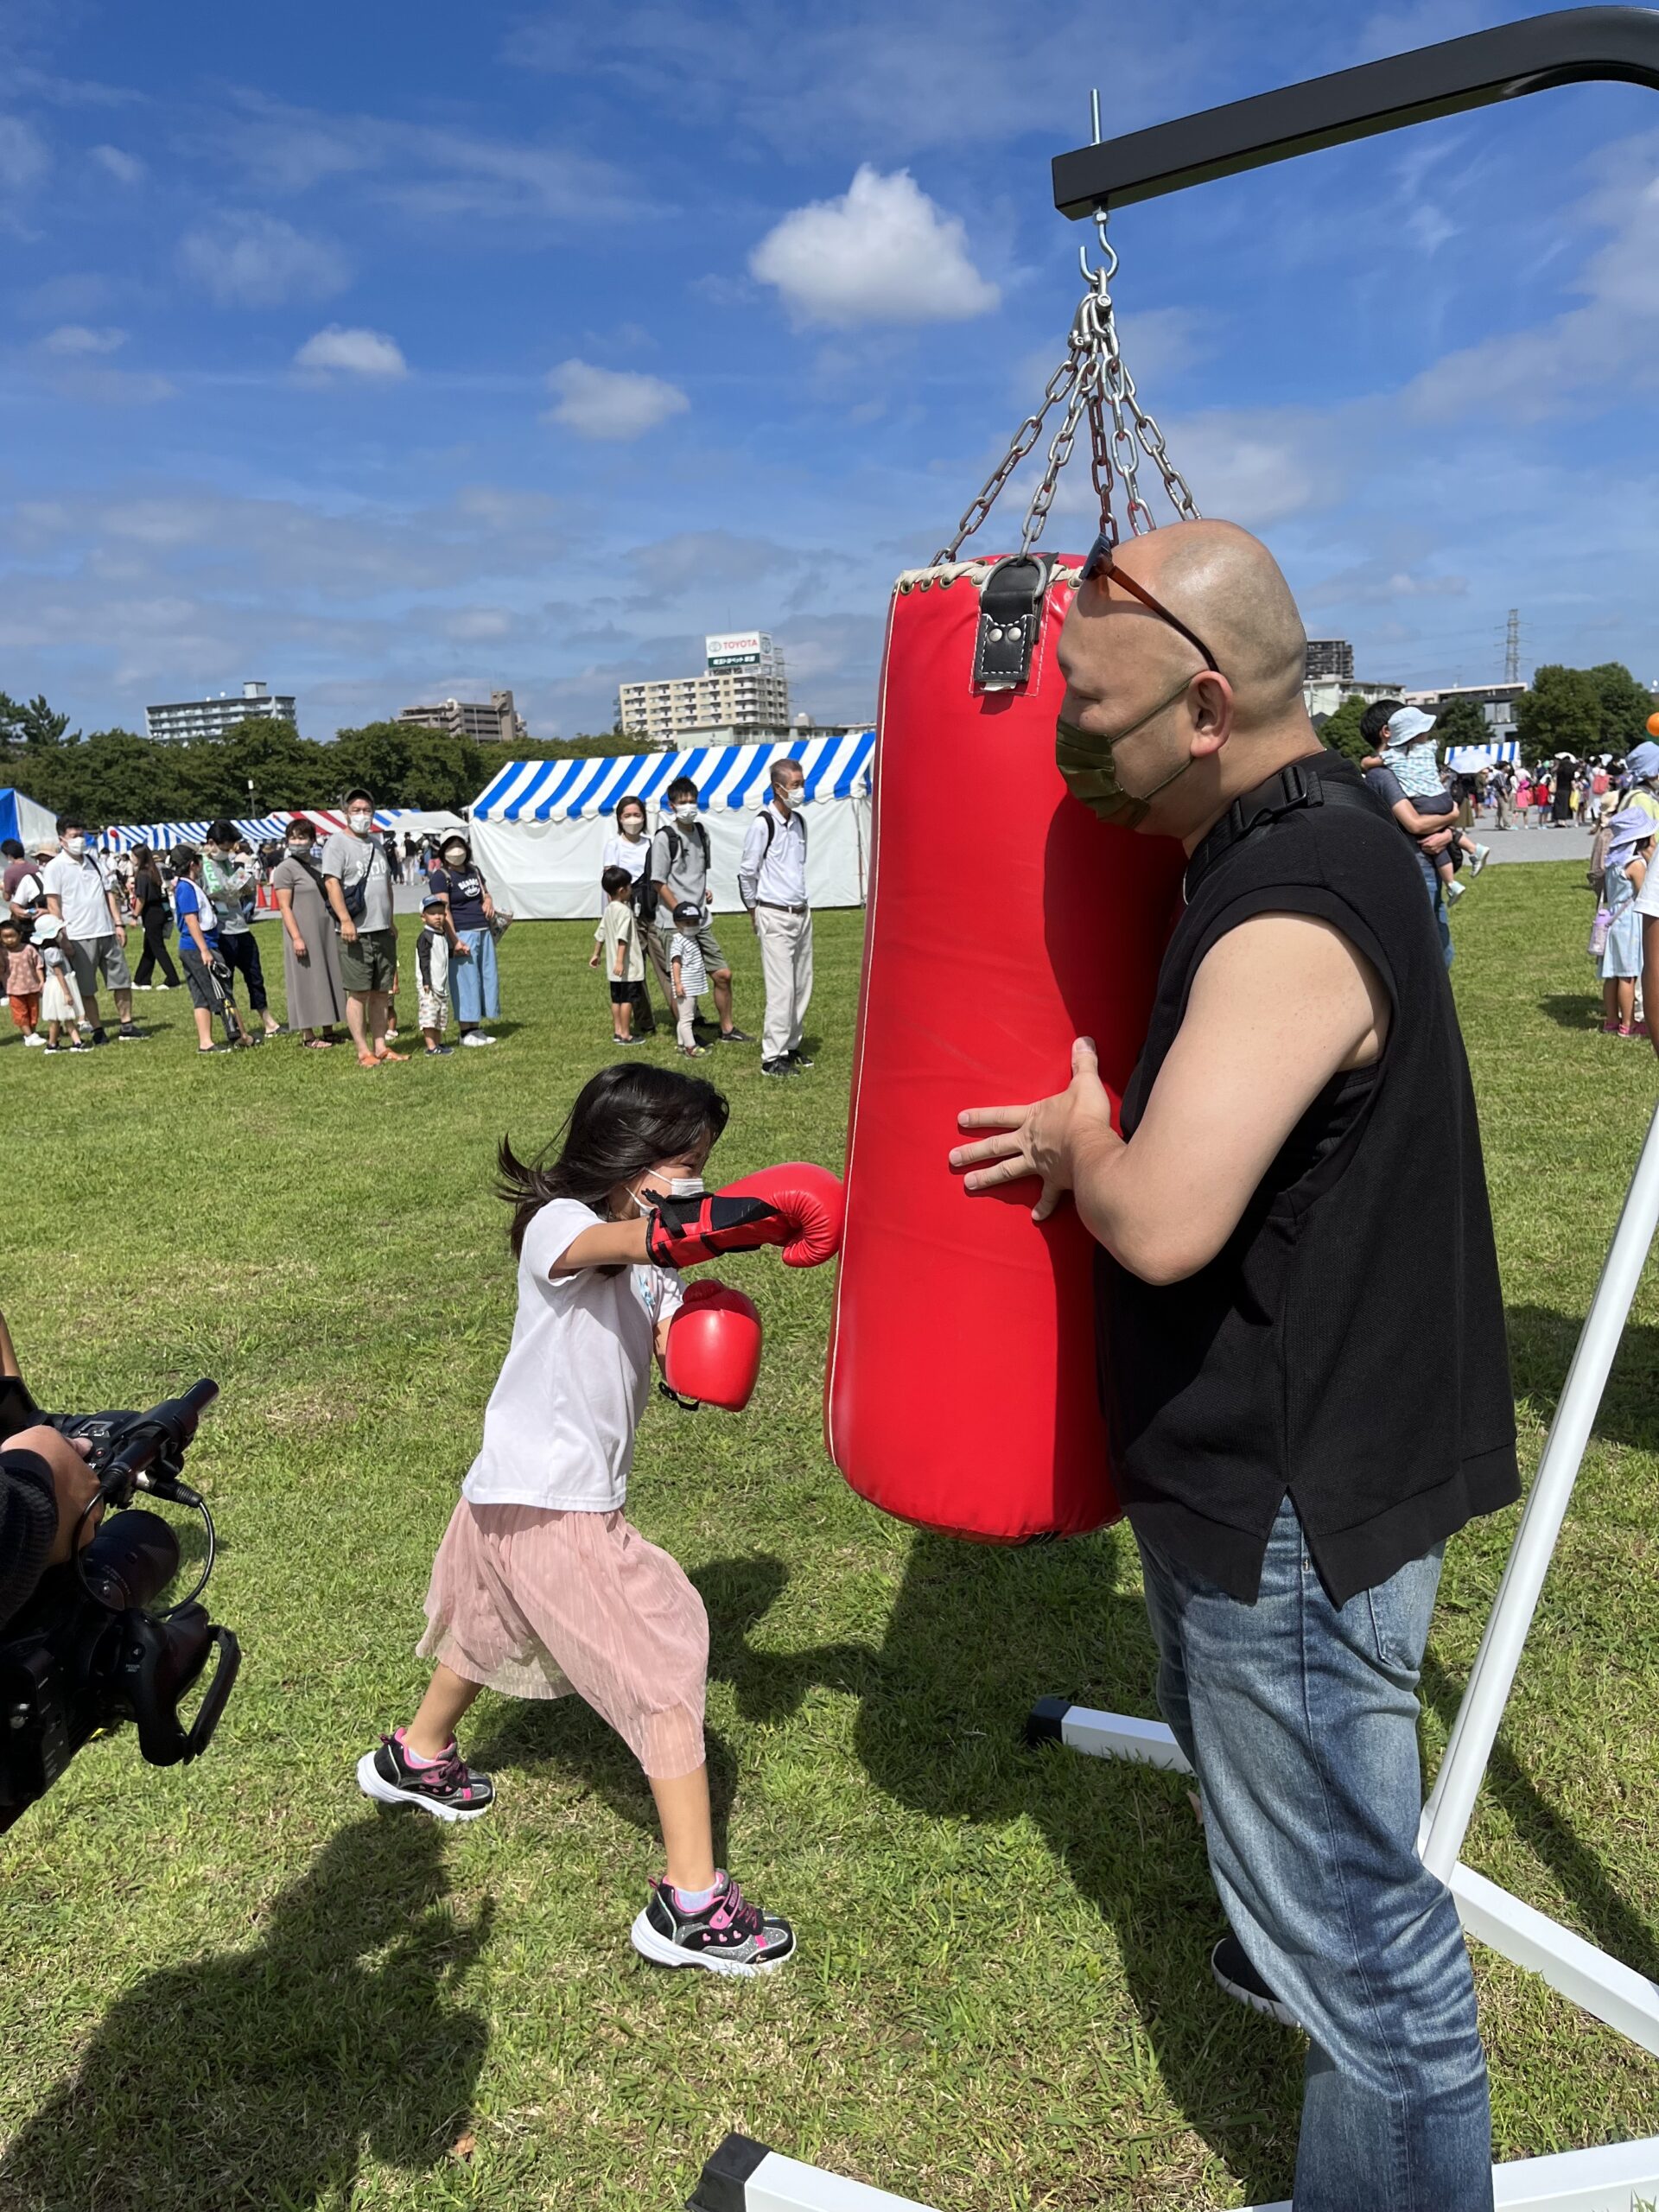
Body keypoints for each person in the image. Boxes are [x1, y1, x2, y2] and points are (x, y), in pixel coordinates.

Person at [952, 517, 1516, 2210]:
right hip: (1297, 1454)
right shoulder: (1313, 824)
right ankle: (1283, 1937)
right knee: (1299, 1860)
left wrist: (1079, 1137)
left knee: (1382, 1980)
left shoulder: (1290, 898)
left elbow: (1170, 1219)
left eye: (1093, 711)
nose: (1065, 743)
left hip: (1293, 1495)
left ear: (1204, 708)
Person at [356, 1062, 798, 1974]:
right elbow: (640, 1243)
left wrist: (702, 1338)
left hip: (510, 1488)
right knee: (665, 1658)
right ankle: (691, 1904)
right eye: (688, 1161)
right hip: (553, 1499)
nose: (698, 1177)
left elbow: (671, 1317)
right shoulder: (562, 1225)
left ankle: (416, 1756)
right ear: (636, 1159)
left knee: (485, 1628)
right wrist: (749, 1217)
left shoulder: (648, 1260)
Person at [648, 779, 753, 1046]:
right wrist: (681, 910)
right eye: (682, 802)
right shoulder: (665, 837)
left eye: (691, 800)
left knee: (723, 974)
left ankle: (727, 1029)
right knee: (682, 982)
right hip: (673, 923)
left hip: (702, 920)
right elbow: (658, 881)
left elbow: (698, 873)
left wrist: (703, 893)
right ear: (671, 806)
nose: (688, 807)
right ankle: (688, 1036)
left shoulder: (702, 833)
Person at [1355, 703, 1459, 968]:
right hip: (1415, 866)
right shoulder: (1383, 774)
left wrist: (1447, 833)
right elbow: (1415, 824)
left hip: (1427, 863)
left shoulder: (1406, 766)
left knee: (1440, 948)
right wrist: (1451, 817)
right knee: (1434, 952)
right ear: (1387, 732)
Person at [739, 758, 814, 1079]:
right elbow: (747, 872)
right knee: (781, 987)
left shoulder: (799, 822)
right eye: (794, 784)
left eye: (801, 783)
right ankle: (772, 1056)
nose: (799, 790)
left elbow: (797, 866)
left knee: (801, 984)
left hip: (800, 910)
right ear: (777, 787)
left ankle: (791, 1044)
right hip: (773, 912)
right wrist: (754, 910)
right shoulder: (762, 824)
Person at [321, 789, 405, 1070]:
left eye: (367, 810)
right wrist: (345, 920)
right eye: (356, 810)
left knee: (382, 993)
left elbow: (386, 886)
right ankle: (362, 1050)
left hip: (382, 929)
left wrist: (390, 920)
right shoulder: (337, 844)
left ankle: (381, 1046)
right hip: (355, 931)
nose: (362, 815)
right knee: (359, 992)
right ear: (346, 812)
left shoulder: (377, 844)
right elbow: (331, 883)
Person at [41, 815, 139, 1046]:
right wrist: (61, 936)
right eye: (74, 836)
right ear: (62, 839)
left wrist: (118, 923)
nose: (79, 840)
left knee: (121, 981)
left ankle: (127, 1024)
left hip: (106, 930)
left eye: (81, 835)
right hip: (77, 935)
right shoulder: (55, 867)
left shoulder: (95, 860)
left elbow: (109, 894)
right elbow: (53, 904)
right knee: (87, 988)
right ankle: (97, 1030)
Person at [1372, 706, 1490, 895]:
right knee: (1437, 839)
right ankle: (1471, 852)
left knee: (1429, 839)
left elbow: (1417, 826)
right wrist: (1452, 816)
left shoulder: (1391, 760)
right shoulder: (1429, 748)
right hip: (1442, 798)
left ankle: (1452, 882)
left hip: (1423, 811)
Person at [271, 820, 346, 1049]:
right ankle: (308, 1035)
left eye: (302, 837)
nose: (298, 842)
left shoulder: (320, 863)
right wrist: (296, 937)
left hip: (323, 929)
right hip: (302, 930)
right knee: (304, 981)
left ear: (312, 840)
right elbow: (284, 906)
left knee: (326, 976)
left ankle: (328, 1028)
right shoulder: (285, 869)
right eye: (293, 838)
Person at [202, 823, 282, 1039]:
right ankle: (235, 1027)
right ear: (212, 844)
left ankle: (268, 1021)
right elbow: (219, 892)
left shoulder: (227, 863)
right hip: (222, 932)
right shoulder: (206, 864)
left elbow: (247, 888)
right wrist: (239, 885)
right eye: (225, 847)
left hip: (241, 927)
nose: (228, 852)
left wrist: (240, 885)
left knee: (255, 975)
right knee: (226, 983)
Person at [170, 846, 246, 1054]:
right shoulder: (186, 887)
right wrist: (205, 950)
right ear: (194, 864)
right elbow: (191, 919)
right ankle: (241, 1036)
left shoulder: (187, 886)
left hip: (192, 948)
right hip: (200, 947)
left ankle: (206, 1042)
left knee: (201, 996)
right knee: (223, 991)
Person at [429, 833, 499, 1049]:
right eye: (451, 846)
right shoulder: (441, 875)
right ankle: (465, 1030)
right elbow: (444, 908)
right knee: (465, 981)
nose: (456, 850)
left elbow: (485, 893)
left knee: (484, 978)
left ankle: (476, 1026)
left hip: (483, 929)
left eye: (460, 845)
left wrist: (488, 900)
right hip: (462, 931)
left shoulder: (474, 870)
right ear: (443, 851)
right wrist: (454, 940)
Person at [601, 794, 658, 1034]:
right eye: (627, 816)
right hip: (626, 909)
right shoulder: (613, 846)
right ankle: (642, 1022)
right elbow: (610, 883)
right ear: (619, 819)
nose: (632, 820)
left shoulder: (651, 843)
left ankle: (685, 1017)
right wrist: (613, 913)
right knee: (633, 968)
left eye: (637, 815)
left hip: (651, 908)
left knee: (664, 963)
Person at [1595, 809, 1650, 1038]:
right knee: (1628, 975)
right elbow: (1644, 892)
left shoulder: (1613, 862)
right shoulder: (1635, 863)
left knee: (1612, 975)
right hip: (1630, 922)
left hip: (1613, 919)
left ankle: (1611, 1020)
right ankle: (1628, 1023)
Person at [592, 864, 645, 1046]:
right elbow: (623, 938)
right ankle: (625, 1034)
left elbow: (601, 933)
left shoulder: (608, 910)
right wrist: (621, 961)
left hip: (612, 968)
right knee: (627, 1000)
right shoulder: (625, 912)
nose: (631, 890)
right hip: (626, 967)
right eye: (629, 887)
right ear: (622, 890)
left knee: (616, 999)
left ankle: (617, 1031)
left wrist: (596, 954)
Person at [31, 915, 88, 1052]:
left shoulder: (47, 949)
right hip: (60, 985)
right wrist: (67, 993)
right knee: (66, 1015)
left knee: (57, 1019)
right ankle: (76, 1042)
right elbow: (58, 973)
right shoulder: (53, 952)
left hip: (57, 984)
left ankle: (52, 1044)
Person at [128, 848, 181, 992]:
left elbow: (141, 898)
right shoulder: (153, 871)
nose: (131, 858)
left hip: (151, 913)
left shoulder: (143, 874)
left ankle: (173, 979)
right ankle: (142, 980)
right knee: (150, 948)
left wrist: (134, 916)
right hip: (159, 911)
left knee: (157, 947)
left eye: (133, 855)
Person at [415, 891, 455, 1056]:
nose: (437, 917)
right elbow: (424, 960)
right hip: (429, 986)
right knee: (429, 1016)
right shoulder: (426, 937)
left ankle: (438, 1043)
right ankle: (431, 1047)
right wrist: (426, 981)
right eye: (432, 914)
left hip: (441, 984)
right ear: (423, 917)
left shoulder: (441, 935)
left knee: (440, 1015)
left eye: (440, 913)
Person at [668, 900, 709, 1058]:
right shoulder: (678, 940)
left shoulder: (691, 938)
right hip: (685, 986)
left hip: (693, 985)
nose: (692, 925)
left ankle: (681, 1044)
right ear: (677, 923)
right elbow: (676, 963)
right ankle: (691, 1048)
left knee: (685, 1016)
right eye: (687, 922)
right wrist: (678, 983)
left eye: (695, 922)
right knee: (687, 1019)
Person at [2, 918, 44, 1046]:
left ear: (20, 935)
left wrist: (41, 980)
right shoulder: (3, 953)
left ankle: (32, 1033)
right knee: (21, 1013)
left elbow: (38, 965)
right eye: (5, 937)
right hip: (14, 990)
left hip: (32, 987)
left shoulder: (29, 949)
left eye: (12, 936)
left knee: (33, 1012)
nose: (9, 940)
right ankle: (29, 1035)